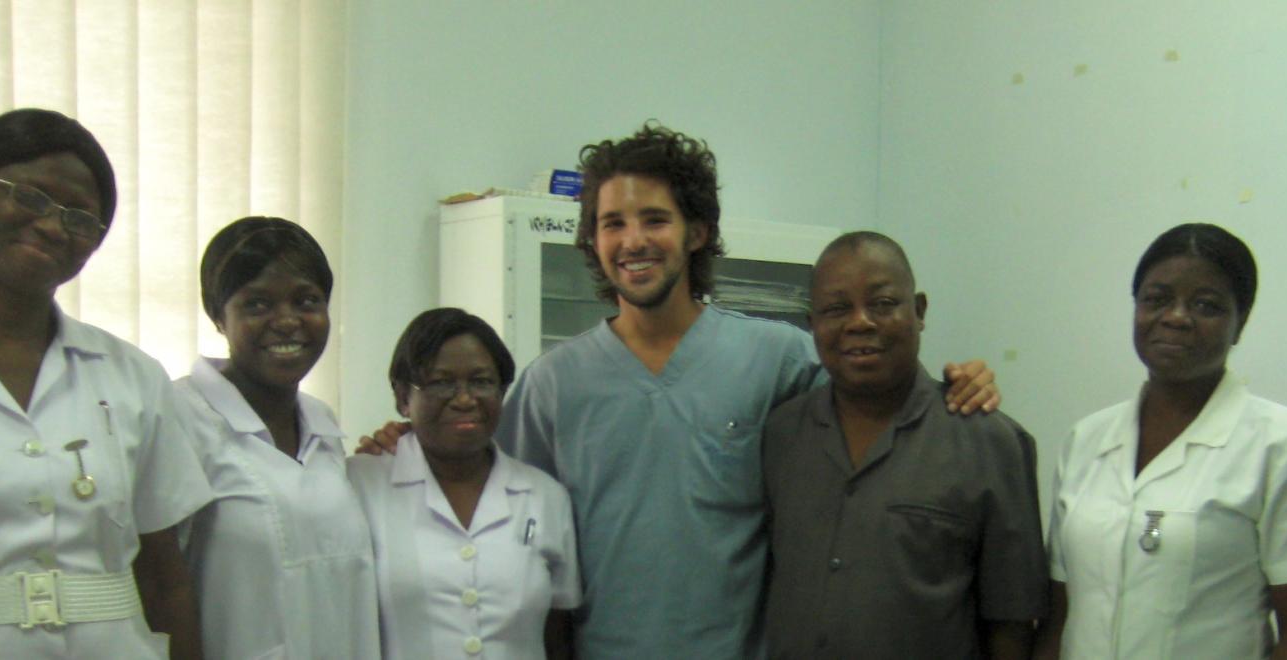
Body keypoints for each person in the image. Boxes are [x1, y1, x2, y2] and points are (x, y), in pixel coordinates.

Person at [364, 122, 999, 658]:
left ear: (696, 232)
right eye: (612, 223)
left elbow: (875, 394)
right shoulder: (553, 385)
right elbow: (484, 485)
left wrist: (957, 383)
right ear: (592, 240)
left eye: (654, 219)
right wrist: (404, 440)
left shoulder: (777, 359)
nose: (632, 240)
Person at [0, 108, 211, 658]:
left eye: (81, 218)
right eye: (31, 197)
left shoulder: (132, 377)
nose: (53, 225)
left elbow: (163, 577)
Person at [1036, 224, 1287, 659]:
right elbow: (1060, 619)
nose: (1176, 317)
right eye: (1156, 299)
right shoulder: (1086, 439)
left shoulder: (1284, 444)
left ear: (1240, 323)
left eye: (1206, 305)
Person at [762, 232, 1046, 659]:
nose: (860, 322)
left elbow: (1011, 624)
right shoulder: (781, 434)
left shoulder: (991, 443)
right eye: (837, 308)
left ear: (919, 311)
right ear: (812, 322)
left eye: (882, 303)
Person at [172, 217, 379, 659]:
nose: (287, 321)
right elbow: (156, 587)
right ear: (218, 316)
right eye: (257, 305)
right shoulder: (177, 420)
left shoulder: (323, 427)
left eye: (306, 300)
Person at [349, 308, 579, 659]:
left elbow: (559, 632)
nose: (464, 398)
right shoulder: (360, 486)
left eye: (481, 381)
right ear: (402, 397)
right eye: (441, 382)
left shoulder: (545, 496)